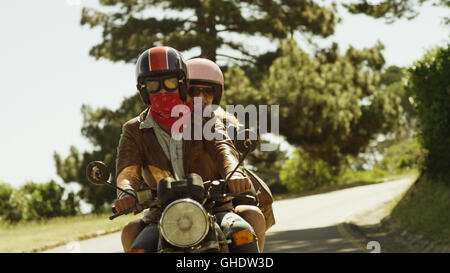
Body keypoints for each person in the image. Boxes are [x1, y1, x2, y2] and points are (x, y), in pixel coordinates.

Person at [115, 46, 259, 253]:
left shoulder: (205, 117)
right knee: (138, 246)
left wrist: (232, 172)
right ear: (143, 89)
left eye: (170, 82)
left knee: (241, 233)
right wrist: (126, 191)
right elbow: (127, 170)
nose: (163, 90)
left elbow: (223, 148)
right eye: (153, 84)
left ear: (182, 84)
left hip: (214, 206)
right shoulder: (133, 130)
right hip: (161, 215)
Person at [185, 58, 275, 252]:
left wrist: (234, 166)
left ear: (215, 94)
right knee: (134, 232)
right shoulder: (167, 124)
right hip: (173, 204)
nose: (200, 96)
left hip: (219, 201)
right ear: (183, 91)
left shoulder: (224, 121)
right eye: (193, 90)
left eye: (207, 90)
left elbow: (227, 149)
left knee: (253, 214)